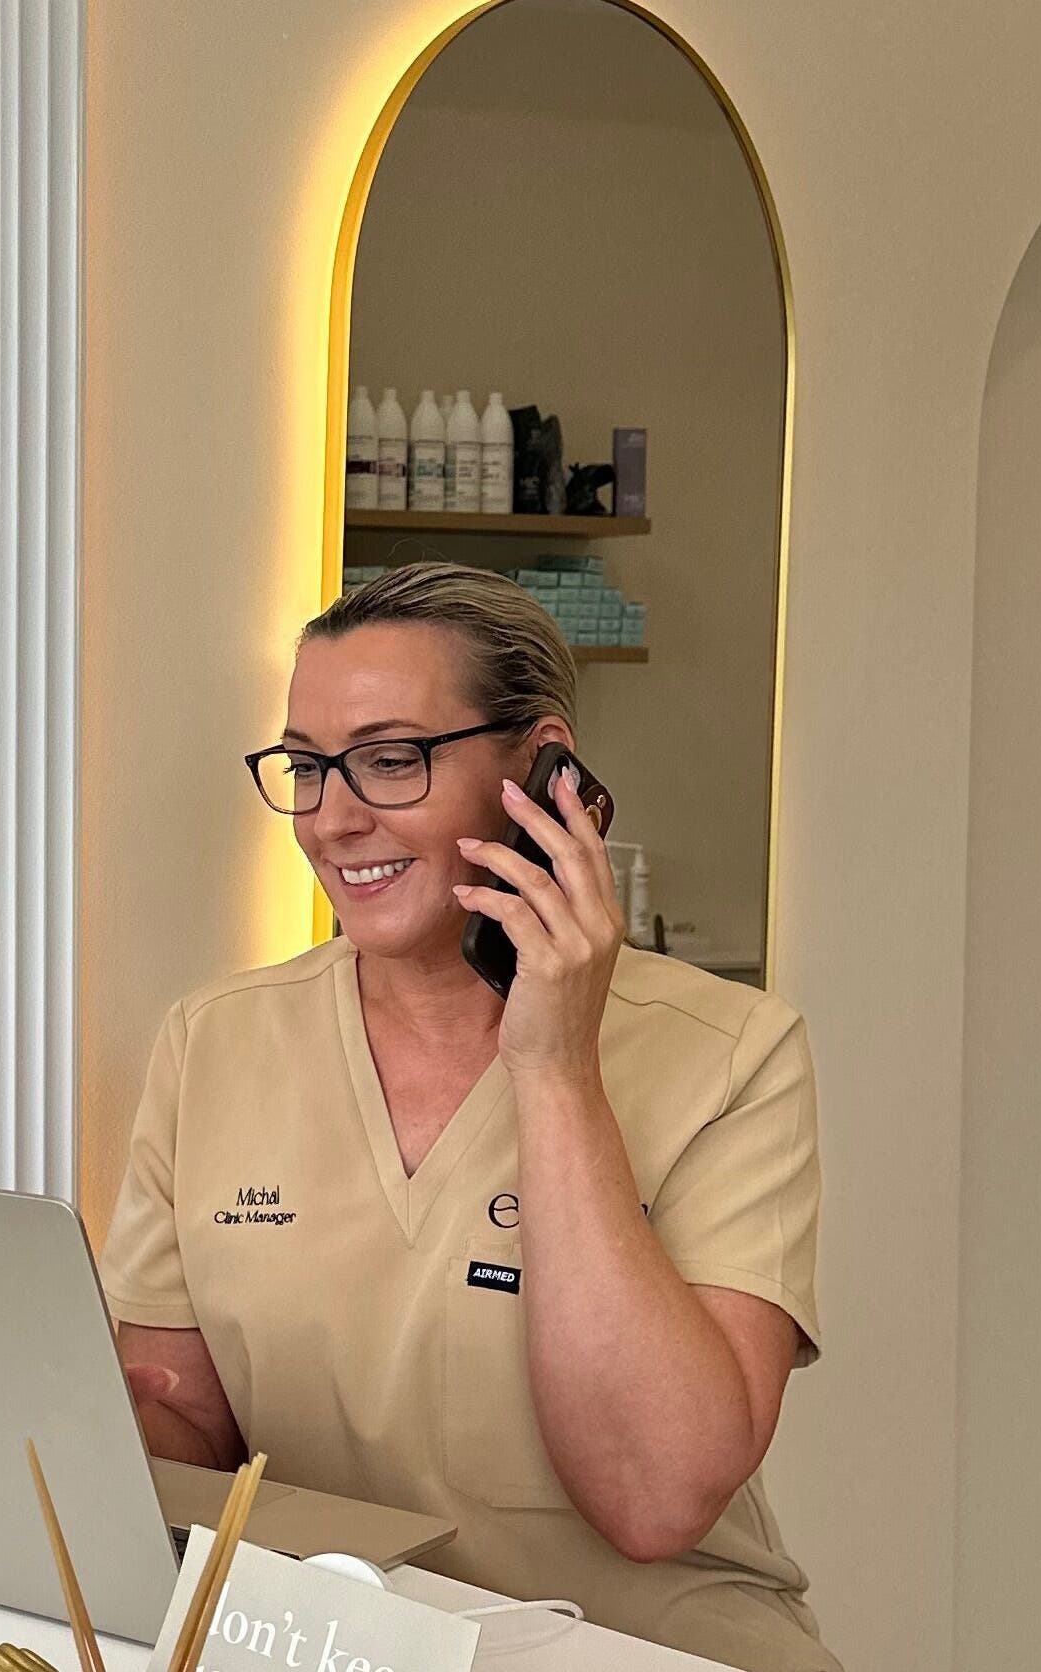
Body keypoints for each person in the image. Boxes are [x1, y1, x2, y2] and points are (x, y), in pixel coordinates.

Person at [99, 563, 835, 1672]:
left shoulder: (732, 1054)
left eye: (391, 761)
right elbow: (193, 1440)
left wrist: (554, 1064)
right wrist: (86, 1423)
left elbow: (653, 1496)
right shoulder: (216, 1041)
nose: (334, 819)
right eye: (307, 767)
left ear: (541, 771)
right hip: (339, 1647)